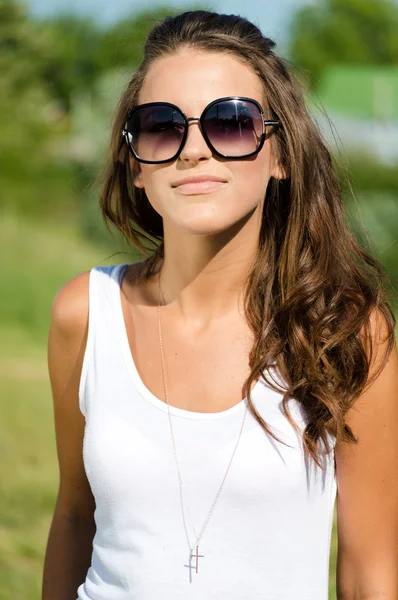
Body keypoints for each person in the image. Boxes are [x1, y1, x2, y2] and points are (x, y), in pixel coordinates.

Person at [42, 9, 398, 600]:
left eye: (230, 123)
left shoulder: (347, 331)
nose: (193, 151)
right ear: (135, 164)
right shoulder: (85, 314)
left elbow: (371, 572)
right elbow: (76, 516)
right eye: (160, 126)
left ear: (280, 155)